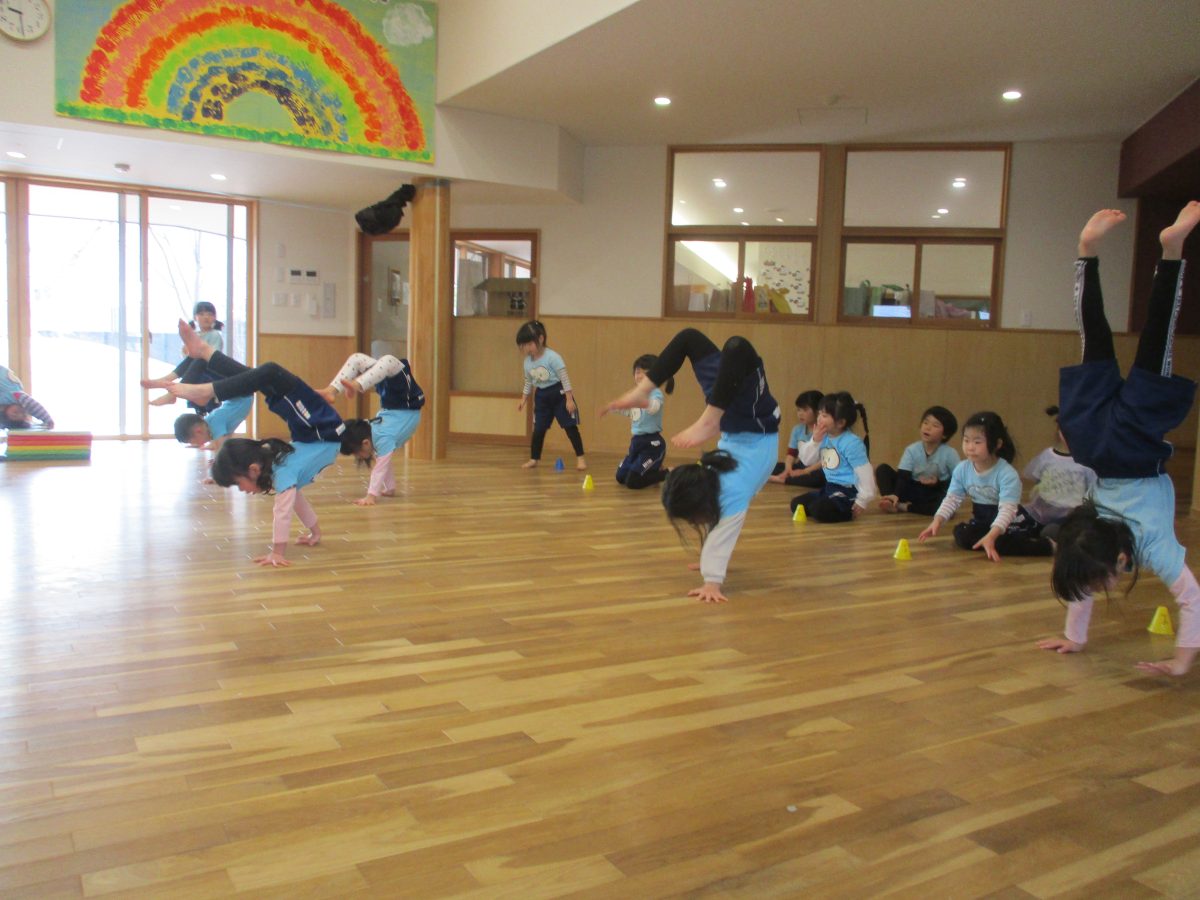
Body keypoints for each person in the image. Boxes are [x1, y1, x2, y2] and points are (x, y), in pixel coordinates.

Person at [1038, 202, 1200, 676]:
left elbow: (1193, 599)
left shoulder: (1150, 548)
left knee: (1157, 338)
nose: (1097, 588)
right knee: (1093, 337)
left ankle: (1172, 251)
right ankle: (1087, 251)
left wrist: (1181, 662)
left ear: (1123, 557)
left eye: (1099, 581)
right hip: (1095, 444)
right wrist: (1074, 637)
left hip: (1136, 440)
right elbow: (1083, 575)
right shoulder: (1092, 530)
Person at [167, 320, 373, 567]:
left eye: (238, 483)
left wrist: (278, 551)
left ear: (253, 469)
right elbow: (297, 502)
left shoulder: (281, 473)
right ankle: (205, 359)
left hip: (320, 429)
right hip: (315, 432)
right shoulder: (281, 473)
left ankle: (207, 375)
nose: (241, 490)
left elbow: (283, 511)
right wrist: (315, 532)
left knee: (269, 375)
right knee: (268, 375)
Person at [602, 328, 780, 603]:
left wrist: (711, 575)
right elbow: (720, 531)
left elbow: (720, 534)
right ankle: (704, 417)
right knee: (736, 347)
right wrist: (710, 568)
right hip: (749, 424)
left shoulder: (719, 487)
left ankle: (677, 406)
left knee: (691, 338)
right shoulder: (721, 489)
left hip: (740, 420)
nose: (693, 522)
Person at [917, 411, 1052, 560]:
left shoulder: (1007, 474)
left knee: (1001, 542)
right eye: (966, 440)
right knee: (964, 536)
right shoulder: (962, 469)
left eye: (977, 442)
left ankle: (1047, 545)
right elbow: (952, 499)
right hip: (983, 521)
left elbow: (1008, 510)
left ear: (997, 444)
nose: (970, 447)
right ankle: (990, 540)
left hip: (1009, 521)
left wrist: (992, 535)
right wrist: (937, 521)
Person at [317, 352, 425, 506]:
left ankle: (344, 388)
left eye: (357, 452)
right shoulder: (379, 439)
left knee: (359, 359)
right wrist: (390, 488)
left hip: (402, 401)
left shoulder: (379, 436)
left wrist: (371, 496)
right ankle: (336, 389)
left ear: (365, 443)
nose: (359, 456)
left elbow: (380, 469)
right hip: (398, 401)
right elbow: (384, 465)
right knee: (386, 362)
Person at [789, 391, 875, 523]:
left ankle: (847, 513)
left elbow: (865, 472)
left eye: (824, 416)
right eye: (819, 414)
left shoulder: (851, 443)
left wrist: (862, 500)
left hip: (848, 492)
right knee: (796, 504)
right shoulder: (823, 436)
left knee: (819, 510)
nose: (819, 418)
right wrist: (814, 441)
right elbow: (806, 460)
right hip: (830, 488)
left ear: (840, 423)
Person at [516, 320, 586, 470]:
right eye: (524, 345)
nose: (527, 348)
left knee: (570, 427)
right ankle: (534, 458)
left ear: (541, 339)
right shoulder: (527, 362)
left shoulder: (553, 357)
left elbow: (564, 378)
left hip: (559, 394)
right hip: (542, 396)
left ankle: (580, 458)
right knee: (538, 430)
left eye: (530, 344)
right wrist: (523, 399)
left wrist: (569, 400)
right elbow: (528, 381)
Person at [1022, 405, 1096, 539]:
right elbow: (1036, 479)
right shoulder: (1047, 456)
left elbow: (1092, 491)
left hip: (1074, 516)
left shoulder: (1086, 461)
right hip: (1044, 514)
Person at [877, 406, 959, 515]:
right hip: (912, 488)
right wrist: (896, 494)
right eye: (926, 422)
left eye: (935, 425)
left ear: (945, 434)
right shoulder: (912, 449)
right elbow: (903, 476)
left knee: (946, 508)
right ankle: (891, 500)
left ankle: (904, 507)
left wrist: (937, 483)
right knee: (883, 469)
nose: (928, 428)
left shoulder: (950, 453)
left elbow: (958, 479)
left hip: (934, 492)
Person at [612, 354, 672, 489]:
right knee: (621, 477)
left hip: (652, 444)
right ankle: (653, 469)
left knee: (633, 482)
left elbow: (654, 407)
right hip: (636, 442)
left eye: (646, 373)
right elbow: (632, 413)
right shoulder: (635, 394)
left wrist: (642, 401)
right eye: (638, 372)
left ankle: (668, 473)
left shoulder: (655, 393)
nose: (640, 376)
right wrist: (616, 407)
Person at [768, 390, 825, 487]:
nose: (800, 414)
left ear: (818, 411)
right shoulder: (797, 429)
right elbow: (791, 453)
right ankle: (786, 476)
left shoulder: (826, 431)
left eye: (805, 410)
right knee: (773, 467)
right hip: (801, 465)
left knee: (819, 478)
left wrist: (805, 471)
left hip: (818, 468)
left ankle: (781, 480)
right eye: (799, 410)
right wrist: (788, 469)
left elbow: (825, 461)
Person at [1, 365, 54, 429]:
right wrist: (48, 420)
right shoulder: (17, 396)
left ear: (5, 414)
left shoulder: (4, 403)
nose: (19, 412)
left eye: (14, 414)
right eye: (23, 413)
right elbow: (35, 407)